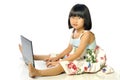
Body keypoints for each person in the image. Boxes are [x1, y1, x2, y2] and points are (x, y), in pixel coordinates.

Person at [19, 4, 108, 78]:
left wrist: (59, 62)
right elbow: (69, 48)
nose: (74, 20)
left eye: (79, 18)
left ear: (86, 19)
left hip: (87, 60)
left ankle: (38, 72)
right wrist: (56, 58)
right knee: (54, 55)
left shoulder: (87, 34)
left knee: (64, 65)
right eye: (72, 17)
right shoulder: (74, 31)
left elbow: (78, 54)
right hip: (78, 55)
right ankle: (32, 56)